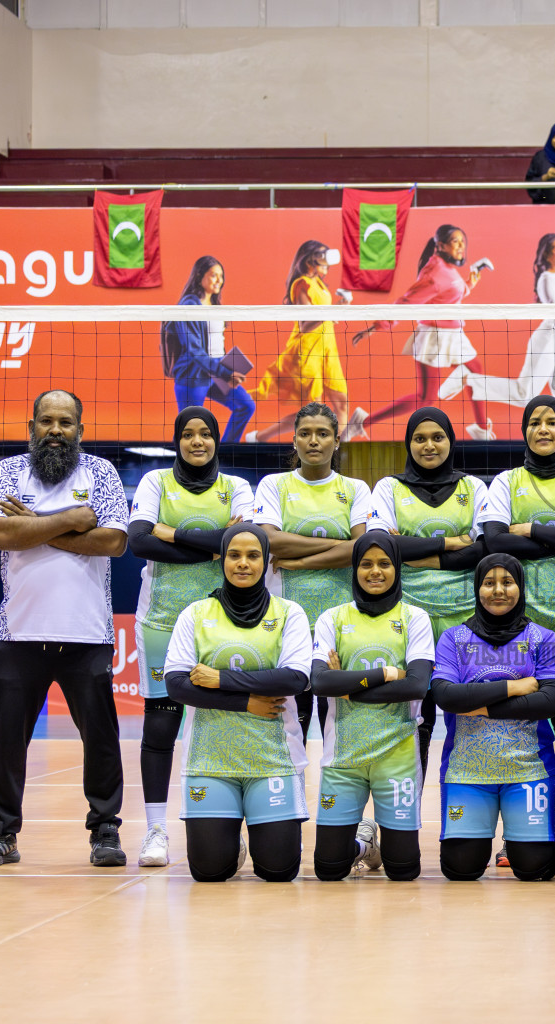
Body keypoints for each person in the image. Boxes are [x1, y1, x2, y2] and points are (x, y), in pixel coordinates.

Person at [0, 391, 130, 868]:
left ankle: (105, 831)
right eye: (46, 421)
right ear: (31, 426)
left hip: (87, 634)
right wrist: (73, 522)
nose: (55, 430)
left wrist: (34, 525)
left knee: (100, 740)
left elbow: (114, 541)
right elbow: (0, 535)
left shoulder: (99, 472)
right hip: (18, 633)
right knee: (7, 742)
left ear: (80, 429)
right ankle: (1, 833)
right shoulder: (6, 472)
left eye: (65, 422)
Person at [127, 407, 255, 867]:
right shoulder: (156, 482)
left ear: (217, 440)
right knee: (162, 721)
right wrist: (211, 546)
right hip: (161, 619)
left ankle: (237, 829)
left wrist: (172, 532)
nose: (196, 441)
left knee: (228, 724)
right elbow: (139, 542)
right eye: (187, 434)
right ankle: (156, 830)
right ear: (177, 439)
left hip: (221, 622)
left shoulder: (236, 486)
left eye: (205, 434)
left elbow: (240, 541)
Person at [164, 524, 313, 883]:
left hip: (272, 758)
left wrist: (220, 680)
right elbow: (176, 685)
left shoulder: (289, 613)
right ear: (222, 559)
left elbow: (295, 679)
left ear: (266, 560)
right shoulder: (196, 613)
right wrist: (246, 702)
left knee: (278, 871)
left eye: (252, 555)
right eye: (234, 555)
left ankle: (252, 838)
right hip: (210, 759)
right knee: (209, 872)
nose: (242, 563)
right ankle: (230, 842)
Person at [476, 396, 555, 774]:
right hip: (517, 626)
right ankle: (530, 817)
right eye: (534, 423)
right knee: (521, 722)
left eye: (552, 422)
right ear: (524, 431)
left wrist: (529, 529)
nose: (543, 429)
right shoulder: (506, 481)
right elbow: (496, 542)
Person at [366, 408, 489, 775]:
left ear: (451, 441)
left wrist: (421, 553)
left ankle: (465, 814)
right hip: (407, 617)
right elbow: (383, 546)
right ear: (408, 443)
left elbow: (485, 549)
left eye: (438, 437)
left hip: (465, 616)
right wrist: (452, 542)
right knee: (412, 720)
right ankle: (403, 818)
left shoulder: (474, 487)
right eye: (420, 438)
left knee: (469, 714)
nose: (429, 445)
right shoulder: (389, 487)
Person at [430, 554, 555, 881]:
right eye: (489, 583)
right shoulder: (454, 639)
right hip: (467, 772)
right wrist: (514, 687)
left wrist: (478, 707)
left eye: (507, 582)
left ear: (520, 587)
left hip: (529, 769)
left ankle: (518, 836)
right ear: (477, 588)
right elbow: (446, 696)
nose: (498, 591)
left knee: (535, 870)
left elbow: (548, 703)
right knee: (461, 870)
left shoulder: (543, 639)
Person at [310, 532, 434, 882]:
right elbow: (320, 683)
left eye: (384, 564)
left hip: (397, 754)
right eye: (366, 564)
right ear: (354, 568)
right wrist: (387, 673)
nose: (374, 571)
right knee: (329, 870)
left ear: (397, 568)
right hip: (344, 757)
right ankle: (364, 848)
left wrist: (347, 686)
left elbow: (416, 686)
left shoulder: (415, 618)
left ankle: (376, 847)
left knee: (404, 871)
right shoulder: (331, 618)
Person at [253, 402, 371, 741]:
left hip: (341, 623)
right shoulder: (274, 485)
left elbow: (361, 549)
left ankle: (335, 795)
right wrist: (340, 545)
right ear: (294, 441)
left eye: (323, 434)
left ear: (337, 441)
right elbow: (271, 541)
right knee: (292, 724)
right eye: (305, 433)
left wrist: (300, 560)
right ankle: (291, 794)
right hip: (286, 621)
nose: (314, 441)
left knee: (338, 723)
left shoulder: (355, 489)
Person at [351, 225, 493, 442]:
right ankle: (361, 422)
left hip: (454, 333)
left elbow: (449, 293)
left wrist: (469, 284)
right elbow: (408, 302)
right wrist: (378, 326)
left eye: (463, 241)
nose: (461, 246)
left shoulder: (447, 266)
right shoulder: (434, 273)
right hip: (435, 337)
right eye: (456, 241)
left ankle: (482, 430)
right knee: (426, 399)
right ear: (441, 245)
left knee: (476, 372)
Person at [451, 233, 555, 419]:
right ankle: (467, 379)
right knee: (525, 396)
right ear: (547, 255)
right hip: (549, 341)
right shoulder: (547, 279)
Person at [248, 241, 355, 443]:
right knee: (312, 413)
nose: (327, 264)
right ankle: (261, 437)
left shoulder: (321, 284)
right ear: (310, 259)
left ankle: (336, 452)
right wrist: (331, 312)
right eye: (323, 257)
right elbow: (305, 324)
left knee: (341, 403)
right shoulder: (301, 284)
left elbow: (324, 315)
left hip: (328, 349)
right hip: (308, 351)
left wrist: (340, 306)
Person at [164, 257, 255, 444]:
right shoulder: (189, 306)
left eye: (221, 276)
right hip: (193, 374)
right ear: (199, 276)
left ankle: (227, 452)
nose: (218, 280)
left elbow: (215, 343)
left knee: (245, 406)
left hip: (216, 371)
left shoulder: (215, 305)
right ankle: (178, 466)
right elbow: (195, 352)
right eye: (213, 275)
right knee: (189, 428)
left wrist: (227, 367)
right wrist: (226, 372)